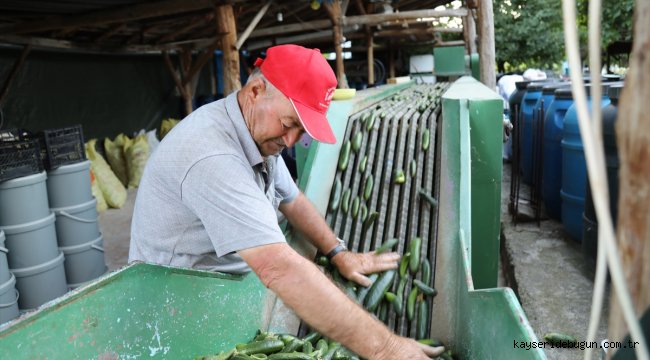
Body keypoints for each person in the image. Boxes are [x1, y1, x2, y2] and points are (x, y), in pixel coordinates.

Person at [129, 44, 444, 359]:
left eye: (301, 130)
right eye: (289, 123)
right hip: (175, 310)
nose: (291, 141)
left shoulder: (257, 133)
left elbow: (292, 199)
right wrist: (387, 349)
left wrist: (338, 252)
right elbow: (277, 267)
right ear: (255, 91)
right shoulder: (212, 155)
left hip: (226, 291)